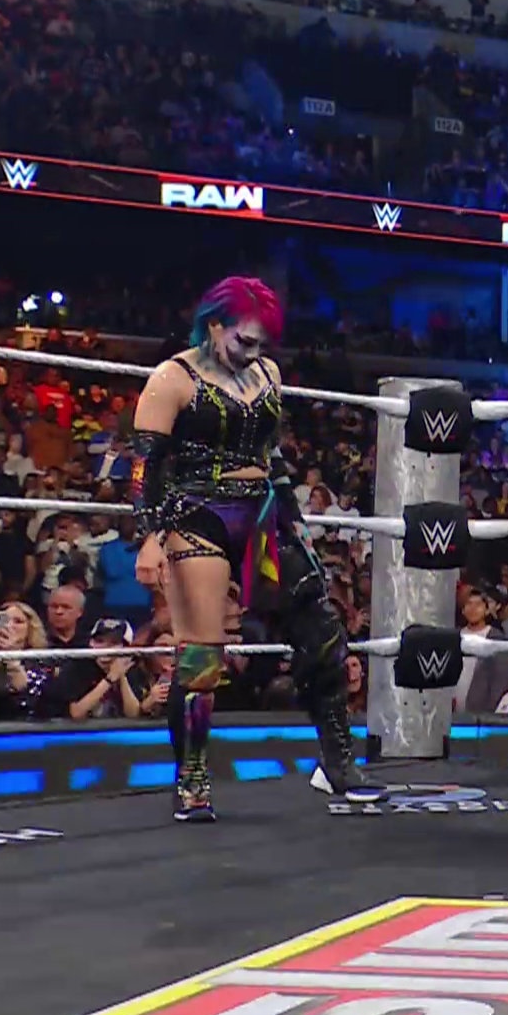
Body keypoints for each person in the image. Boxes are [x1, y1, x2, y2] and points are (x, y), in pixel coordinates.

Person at [129, 276, 383, 823]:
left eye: (261, 344)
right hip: (197, 513)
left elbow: (272, 456)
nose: (252, 353)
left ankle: (338, 761)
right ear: (214, 325)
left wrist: (295, 520)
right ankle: (192, 778)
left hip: (261, 510)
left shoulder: (267, 374)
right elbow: (144, 467)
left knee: (321, 624)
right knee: (202, 654)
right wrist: (149, 536)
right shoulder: (172, 378)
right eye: (243, 341)